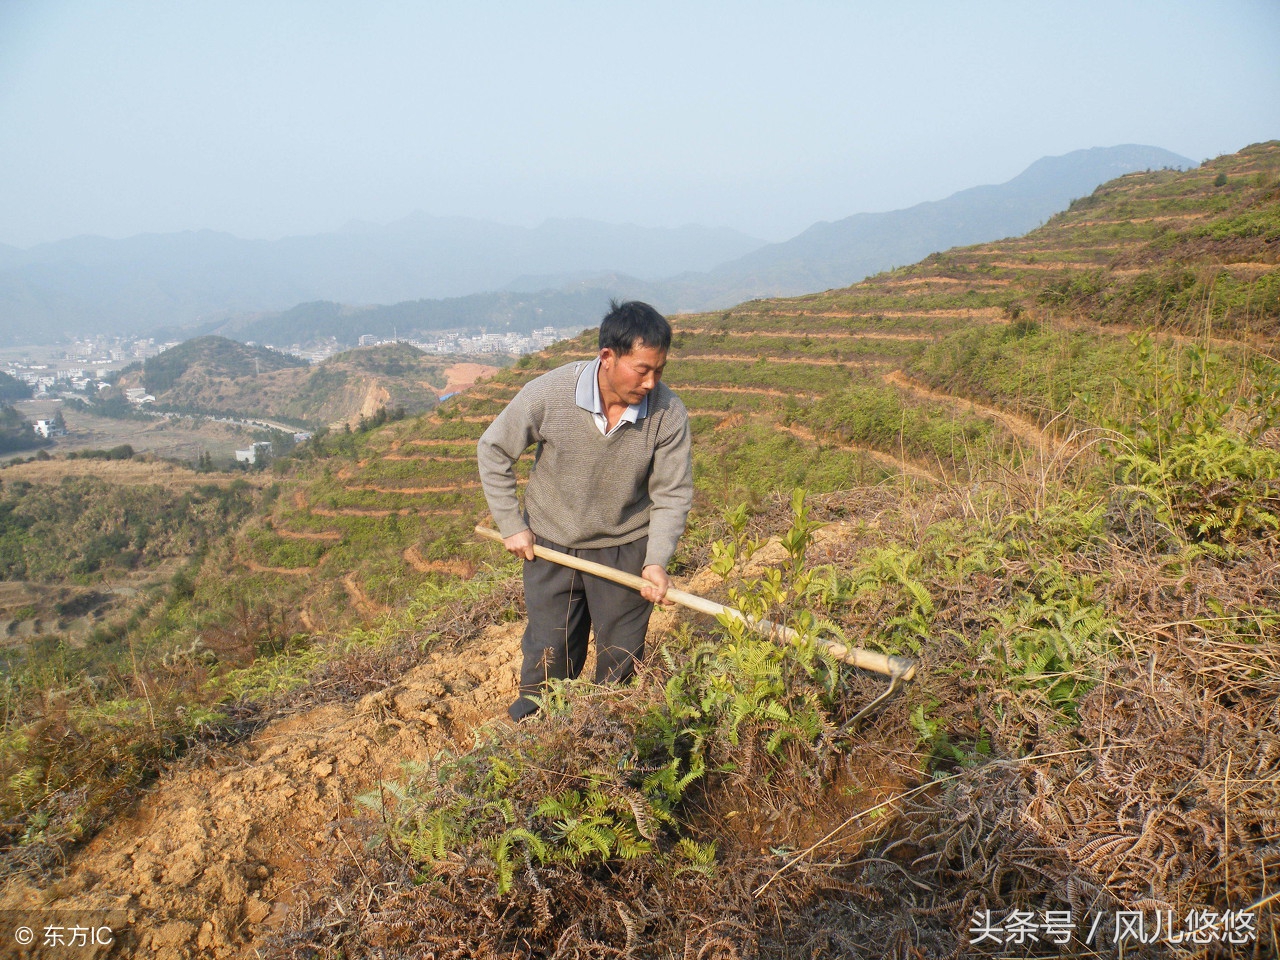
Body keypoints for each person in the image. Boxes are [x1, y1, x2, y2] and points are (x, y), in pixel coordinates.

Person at [477, 300, 693, 721]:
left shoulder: (668, 414)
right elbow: (494, 449)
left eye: (659, 370)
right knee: (549, 650)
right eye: (642, 369)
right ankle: (535, 734)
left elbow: (671, 494)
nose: (652, 382)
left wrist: (655, 562)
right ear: (607, 357)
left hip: (624, 545)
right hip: (551, 543)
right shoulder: (550, 393)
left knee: (621, 656)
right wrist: (511, 524)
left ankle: (608, 741)